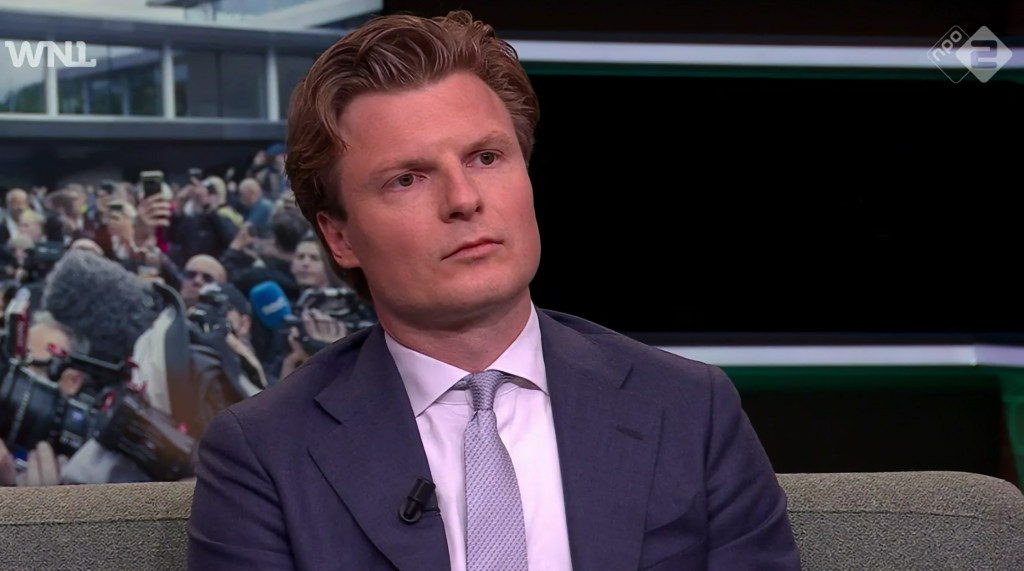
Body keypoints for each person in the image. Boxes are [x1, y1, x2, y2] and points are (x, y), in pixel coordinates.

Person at [187, 10, 800, 570]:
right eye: (407, 179)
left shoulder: (689, 410)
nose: (463, 199)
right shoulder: (264, 454)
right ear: (339, 236)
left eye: (485, 157)